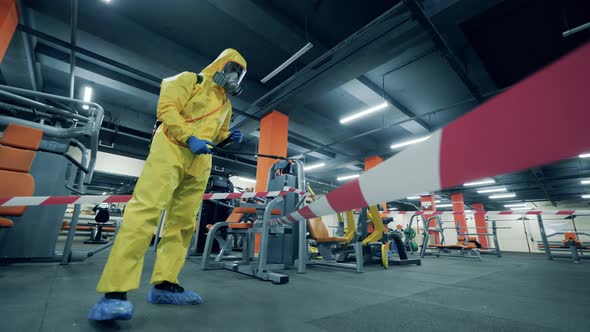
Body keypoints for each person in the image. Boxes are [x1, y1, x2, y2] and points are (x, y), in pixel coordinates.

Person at [88, 49, 247, 321]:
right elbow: (167, 109)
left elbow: (216, 134)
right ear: (221, 65)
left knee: (183, 224)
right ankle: (114, 293)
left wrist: (228, 137)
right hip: (170, 149)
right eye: (232, 69)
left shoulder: (226, 106)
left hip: (199, 162)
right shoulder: (191, 80)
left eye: (239, 74)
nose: (234, 77)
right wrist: (188, 137)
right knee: (145, 213)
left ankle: (165, 284)